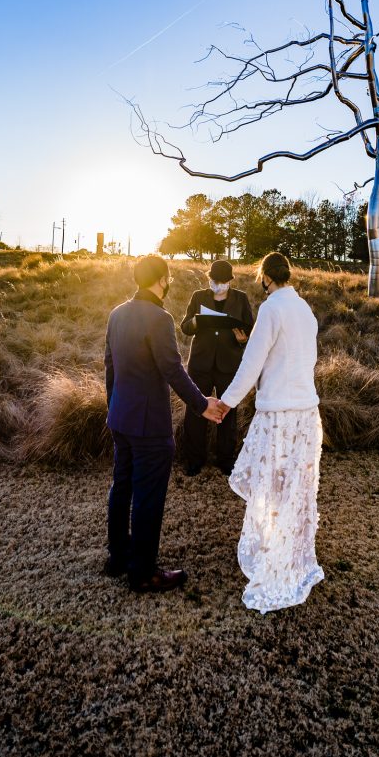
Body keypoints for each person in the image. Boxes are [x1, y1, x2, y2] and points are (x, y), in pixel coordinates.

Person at [105, 254, 223, 593]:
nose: (169, 282)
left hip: (120, 418)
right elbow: (173, 370)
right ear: (160, 279)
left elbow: (109, 366)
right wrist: (203, 405)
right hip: (149, 426)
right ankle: (143, 572)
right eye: (167, 276)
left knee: (122, 486)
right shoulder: (160, 318)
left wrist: (113, 408)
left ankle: (118, 557)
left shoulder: (116, 314)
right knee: (148, 497)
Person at [217, 252, 323, 614]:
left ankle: (275, 555)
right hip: (307, 412)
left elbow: (252, 363)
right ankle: (293, 552)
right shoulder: (305, 309)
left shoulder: (271, 309)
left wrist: (226, 402)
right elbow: (308, 359)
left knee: (272, 486)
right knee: (295, 487)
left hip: (279, 413)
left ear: (265, 277)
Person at [180, 259, 255, 476]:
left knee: (228, 413)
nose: (218, 284)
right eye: (215, 280)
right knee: (195, 412)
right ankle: (194, 460)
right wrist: (196, 322)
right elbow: (185, 327)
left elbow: (249, 327)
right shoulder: (198, 296)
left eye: (222, 281)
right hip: (200, 363)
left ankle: (225, 460)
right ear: (209, 278)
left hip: (228, 363)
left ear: (230, 281)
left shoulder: (240, 298)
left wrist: (242, 339)